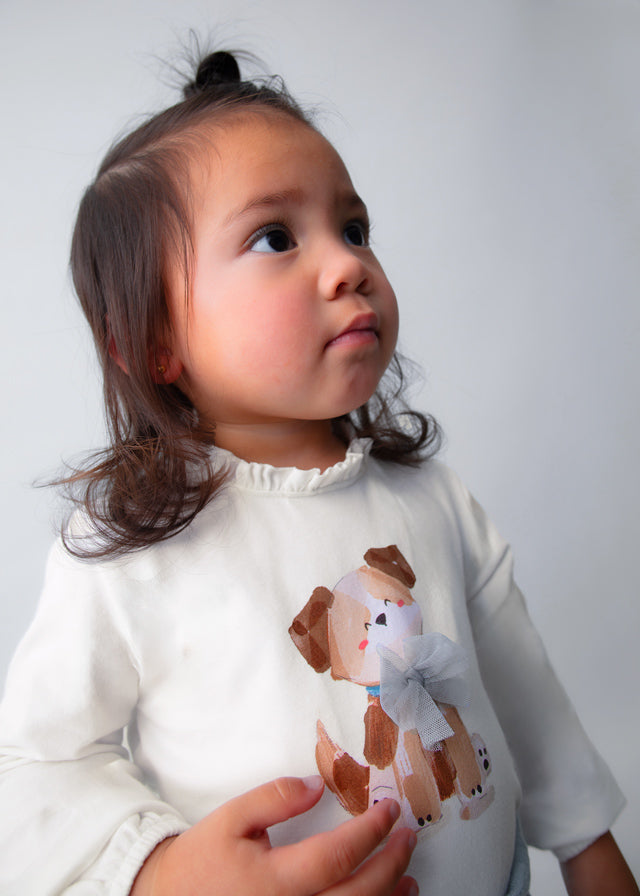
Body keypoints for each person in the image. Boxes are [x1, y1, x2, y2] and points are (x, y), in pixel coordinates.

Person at [0, 49, 637, 896]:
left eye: (354, 229)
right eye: (275, 238)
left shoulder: (431, 499)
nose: (349, 265)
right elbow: (33, 765)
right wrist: (156, 874)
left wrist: (591, 845)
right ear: (155, 341)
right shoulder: (130, 550)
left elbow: (526, 695)